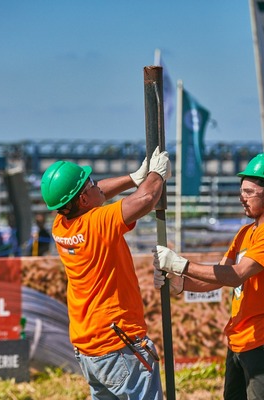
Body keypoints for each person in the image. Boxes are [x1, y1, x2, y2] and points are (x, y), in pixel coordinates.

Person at [153, 153, 264, 400]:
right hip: (238, 338)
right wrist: (180, 283)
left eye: (249, 192)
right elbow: (219, 274)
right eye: (241, 191)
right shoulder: (245, 233)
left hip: (262, 337)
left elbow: (236, 275)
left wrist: (180, 263)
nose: (242, 198)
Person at [40, 147, 170, 399]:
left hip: (89, 348)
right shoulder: (97, 222)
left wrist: (134, 177)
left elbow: (99, 192)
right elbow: (145, 200)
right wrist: (157, 174)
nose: (96, 184)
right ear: (82, 201)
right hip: (119, 344)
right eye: (89, 184)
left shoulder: (61, 224)